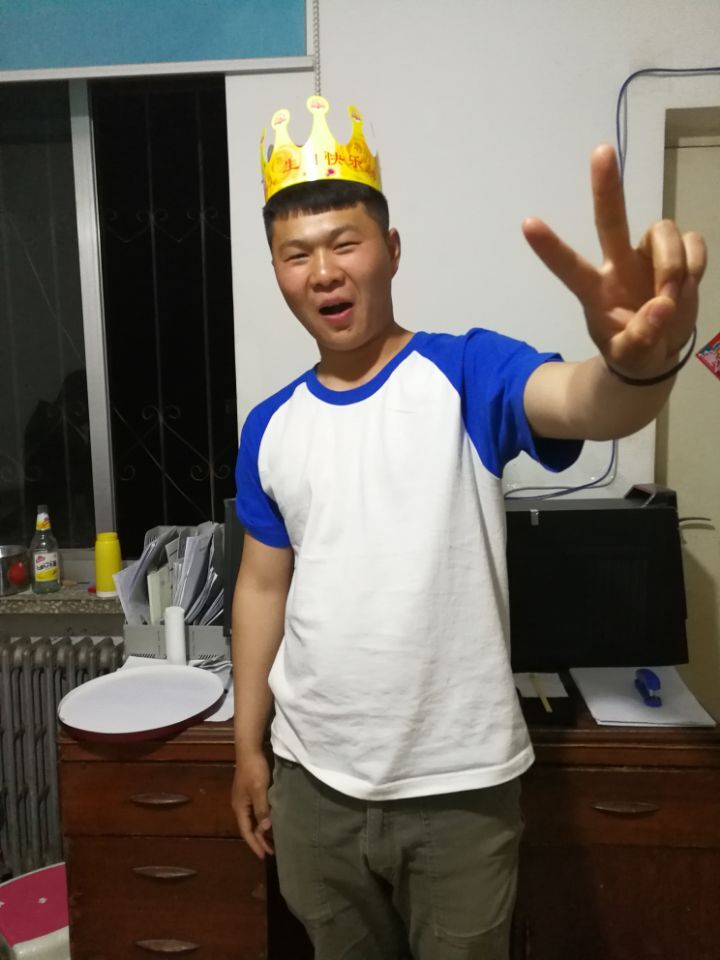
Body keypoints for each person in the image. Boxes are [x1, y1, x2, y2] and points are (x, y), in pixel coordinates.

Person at [231, 96, 706, 960]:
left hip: (459, 791)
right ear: (276, 270)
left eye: (344, 243)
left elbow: (585, 401)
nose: (323, 272)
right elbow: (263, 588)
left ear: (392, 249)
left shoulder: (465, 371)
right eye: (297, 254)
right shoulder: (269, 427)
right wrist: (246, 746)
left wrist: (638, 366)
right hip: (312, 785)